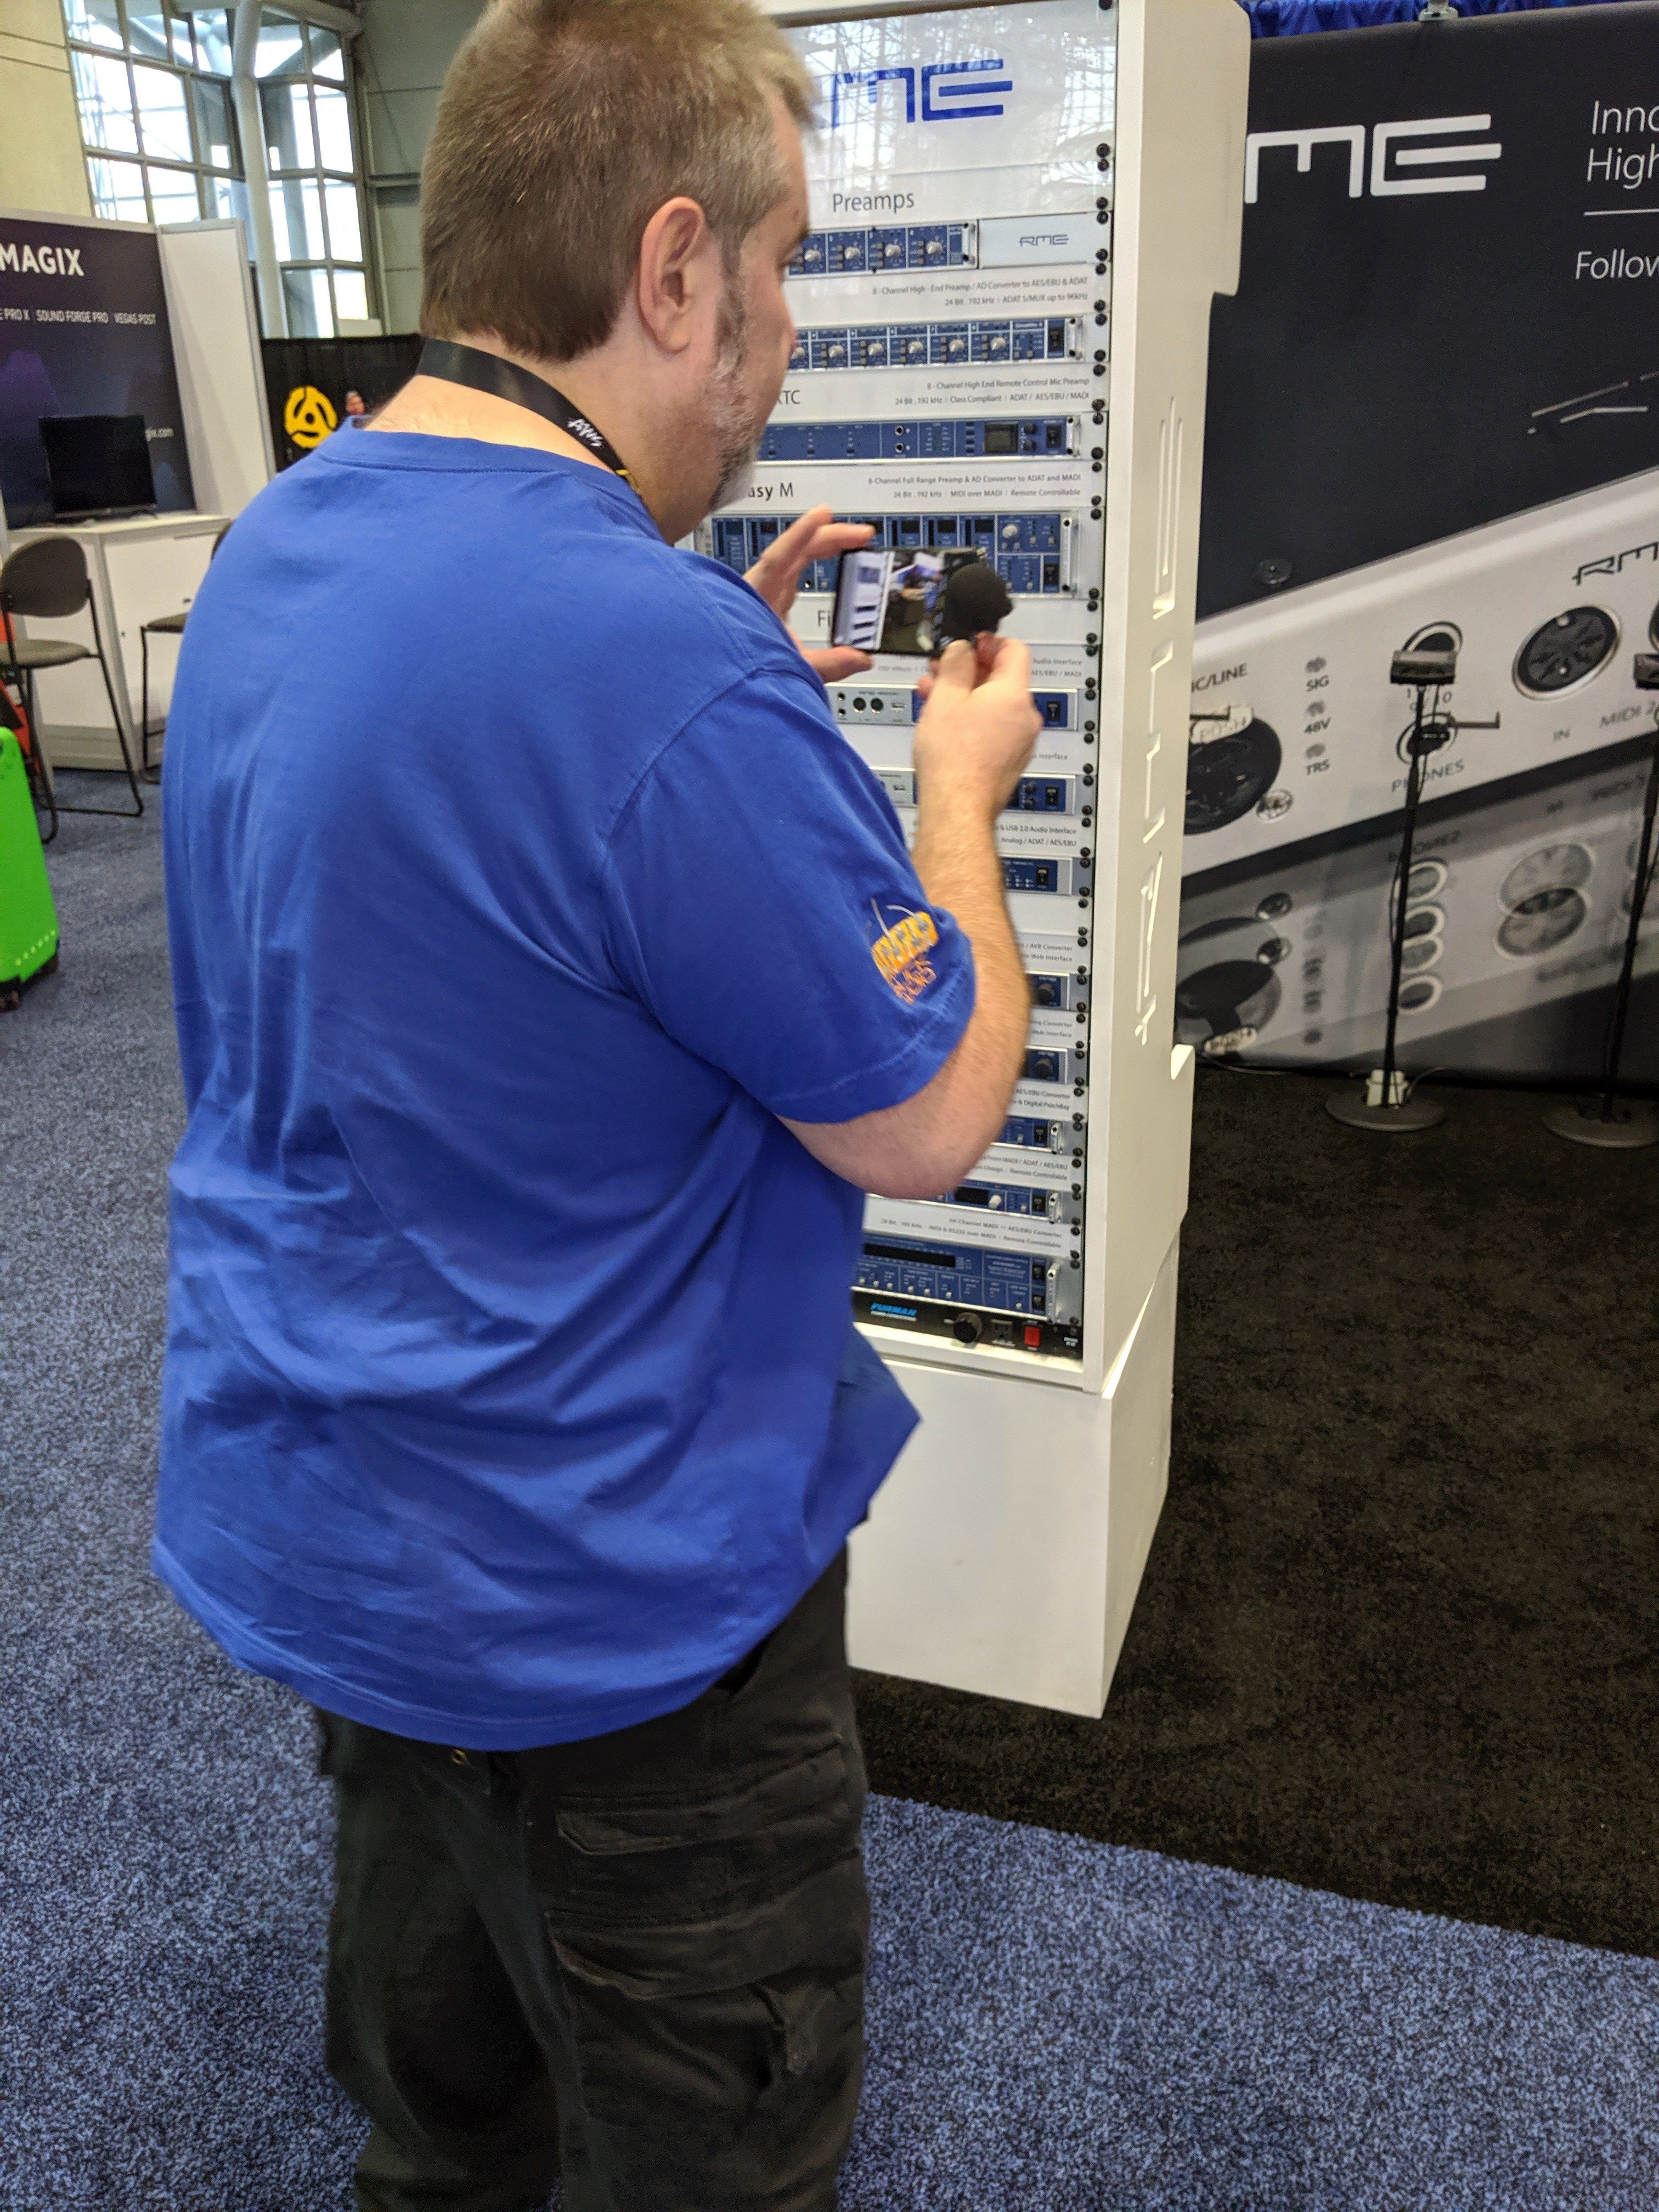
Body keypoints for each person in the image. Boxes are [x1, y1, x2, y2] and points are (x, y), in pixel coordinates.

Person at [154, 0, 1039, 2205]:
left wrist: (706, 695)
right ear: (671, 270)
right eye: (782, 265)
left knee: (444, 2135)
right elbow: (928, 1117)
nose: (786, 329)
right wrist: (954, 802)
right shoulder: (659, 671)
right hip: (615, 1617)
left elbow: (461, 896)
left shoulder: (276, 549)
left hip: (355, 1543)